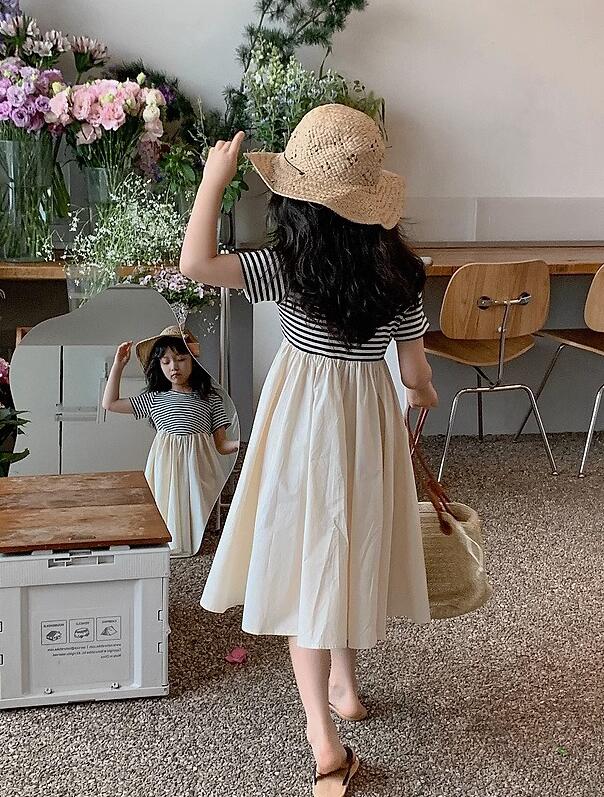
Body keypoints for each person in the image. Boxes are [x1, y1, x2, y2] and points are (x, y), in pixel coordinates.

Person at [180, 104, 438, 794]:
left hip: (301, 421)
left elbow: (196, 262)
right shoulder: (402, 272)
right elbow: (415, 372)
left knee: (310, 561)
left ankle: (323, 739)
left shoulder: (287, 266)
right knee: (347, 544)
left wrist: (213, 180)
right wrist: (422, 392)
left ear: (297, 198)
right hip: (366, 422)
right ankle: (344, 690)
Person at [102, 326, 238, 556]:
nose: (174, 367)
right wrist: (118, 366)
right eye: (166, 362)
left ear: (193, 361)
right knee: (169, 504)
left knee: (194, 506)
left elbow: (222, 444)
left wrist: (243, 445)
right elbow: (110, 403)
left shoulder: (211, 399)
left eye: (181, 359)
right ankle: (171, 543)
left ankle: (194, 542)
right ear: (159, 366)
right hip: (166, 466)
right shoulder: (155, 399)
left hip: (197, 467)